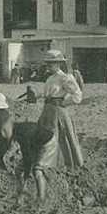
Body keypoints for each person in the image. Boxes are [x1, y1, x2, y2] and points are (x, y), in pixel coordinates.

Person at [32, 49, 84, 201]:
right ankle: (46, 168)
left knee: (63, 139)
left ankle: (73, 168)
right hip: (47, 111)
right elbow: (49, 94)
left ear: (59, 63)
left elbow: (78, 95)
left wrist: (64, 102)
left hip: (58, 111)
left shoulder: (65, 78)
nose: (49, 66)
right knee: (46, 139)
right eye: (48, 64)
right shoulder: (50, 78)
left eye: (52, 63)